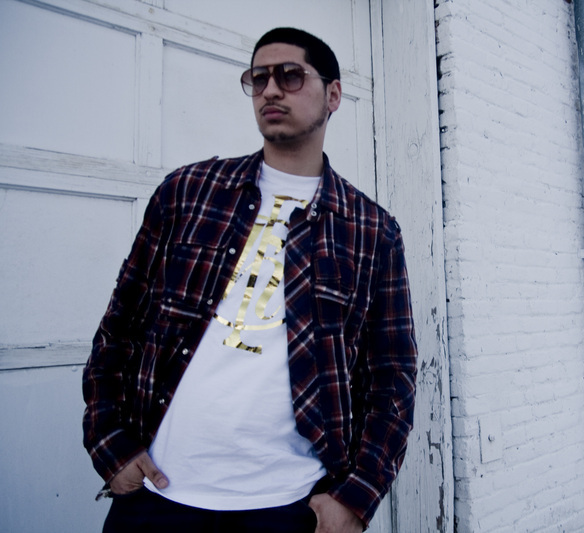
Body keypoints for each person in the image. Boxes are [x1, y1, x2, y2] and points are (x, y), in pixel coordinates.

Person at [82, 27, 418, 533]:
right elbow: (119, 326)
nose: (271, 90)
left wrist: (356, 497)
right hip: (156, 497)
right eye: (259, 79)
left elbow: (392, 375)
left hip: (289, 507)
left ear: (333, 94)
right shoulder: (189, 193)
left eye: (290, 75)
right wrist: (109, 442)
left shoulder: (370, 230)